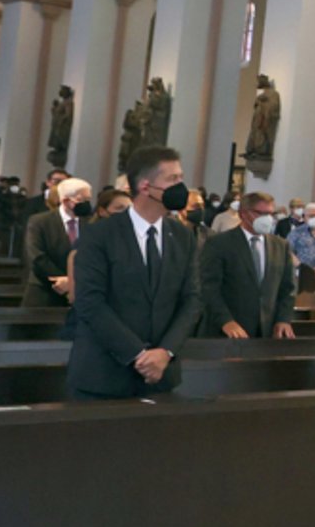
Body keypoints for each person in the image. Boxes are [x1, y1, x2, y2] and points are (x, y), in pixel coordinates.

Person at [66, 146, 202, 400]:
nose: (181, 187)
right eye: (172, 179)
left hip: (161, 378)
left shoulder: (182, 236)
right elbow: (90, 302)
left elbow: (192, 300)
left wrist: (165, 352)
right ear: (145, 186)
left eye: (181, 178)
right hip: (104, 376)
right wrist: (139, 355)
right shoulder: (100, 235)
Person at [198, 191, 297, 339]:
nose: (267, 219)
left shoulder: (281, 246)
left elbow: (288, 287)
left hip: (267, 332)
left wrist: (283, 319)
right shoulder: (219, 244)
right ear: (243, 214)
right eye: (260, 213)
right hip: (227, 332)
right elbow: (208, 287)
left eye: (270, 214)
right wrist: (225, 321)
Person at [24, 177, 92, 307]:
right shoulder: (40, 221)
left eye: (88, 199)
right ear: (66, 200)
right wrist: (63, 280)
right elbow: (37, 257)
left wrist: (73, 281)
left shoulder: (90, 222)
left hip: (79, 292)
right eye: (82, 200)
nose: (87, 204)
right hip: (45, 291)